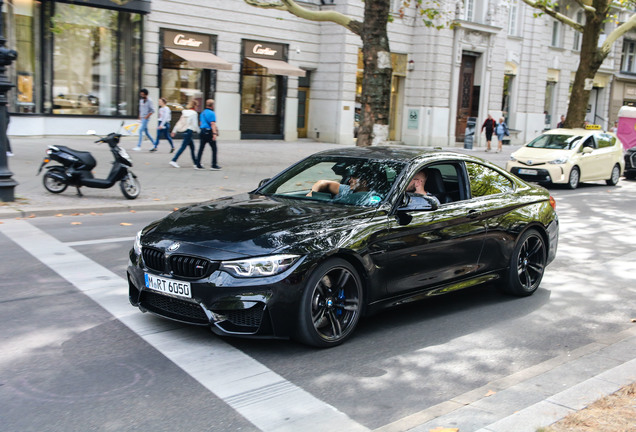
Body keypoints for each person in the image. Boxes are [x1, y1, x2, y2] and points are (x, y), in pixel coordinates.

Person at [169, 101, 200, 168]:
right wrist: (200, 132)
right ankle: (174, 160)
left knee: (192, 147)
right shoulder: (194, 113)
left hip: (185, 131)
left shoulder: (185, 112)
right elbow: (195, 125)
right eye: (197, 106)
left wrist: (174, 131)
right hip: (189, 131)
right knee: (183, 147)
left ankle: (195, 163)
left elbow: (180, 122)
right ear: (195, 106)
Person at [195, 99, 220, 170]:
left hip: (202, 131)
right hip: (209, 132)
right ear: (212, 105)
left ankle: (198, 164)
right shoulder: (212, 113)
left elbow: (200, 123)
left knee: (201, 148)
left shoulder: (202, 113)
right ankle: (214, 165)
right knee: (214, 148)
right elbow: (213, 124)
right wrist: (214, 134)